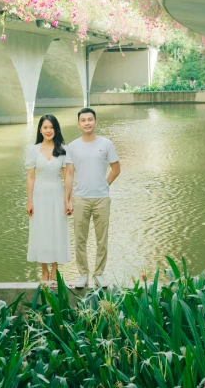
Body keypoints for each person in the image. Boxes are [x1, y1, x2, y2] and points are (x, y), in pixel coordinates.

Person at [65, 107, 120, 288]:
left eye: (90, 119)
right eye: (83, 120)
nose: (87, 123)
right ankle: (82, 274)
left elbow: (116, 169)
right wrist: (68, 198)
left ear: (95, 122)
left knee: (101, 239)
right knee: (80, 239)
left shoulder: (106, 144)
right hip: (80, 198)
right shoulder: (72, 147)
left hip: (101, 199)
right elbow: (70, 174)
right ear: (79, 124)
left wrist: (105, 185)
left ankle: (99, 274)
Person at [25, 114, 71, 285]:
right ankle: (44, 270)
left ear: (56, 129)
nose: (48, 130)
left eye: (51, 127)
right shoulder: (33, 150)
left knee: (57, 230)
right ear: (40, 130)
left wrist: (68, 199)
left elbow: (67, 176)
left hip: (57, 194)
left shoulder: (63, 149)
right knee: (41, 230)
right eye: (45, 127)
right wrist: (29, 200)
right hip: (39, 194)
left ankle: (55, 270)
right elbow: (30, 177)